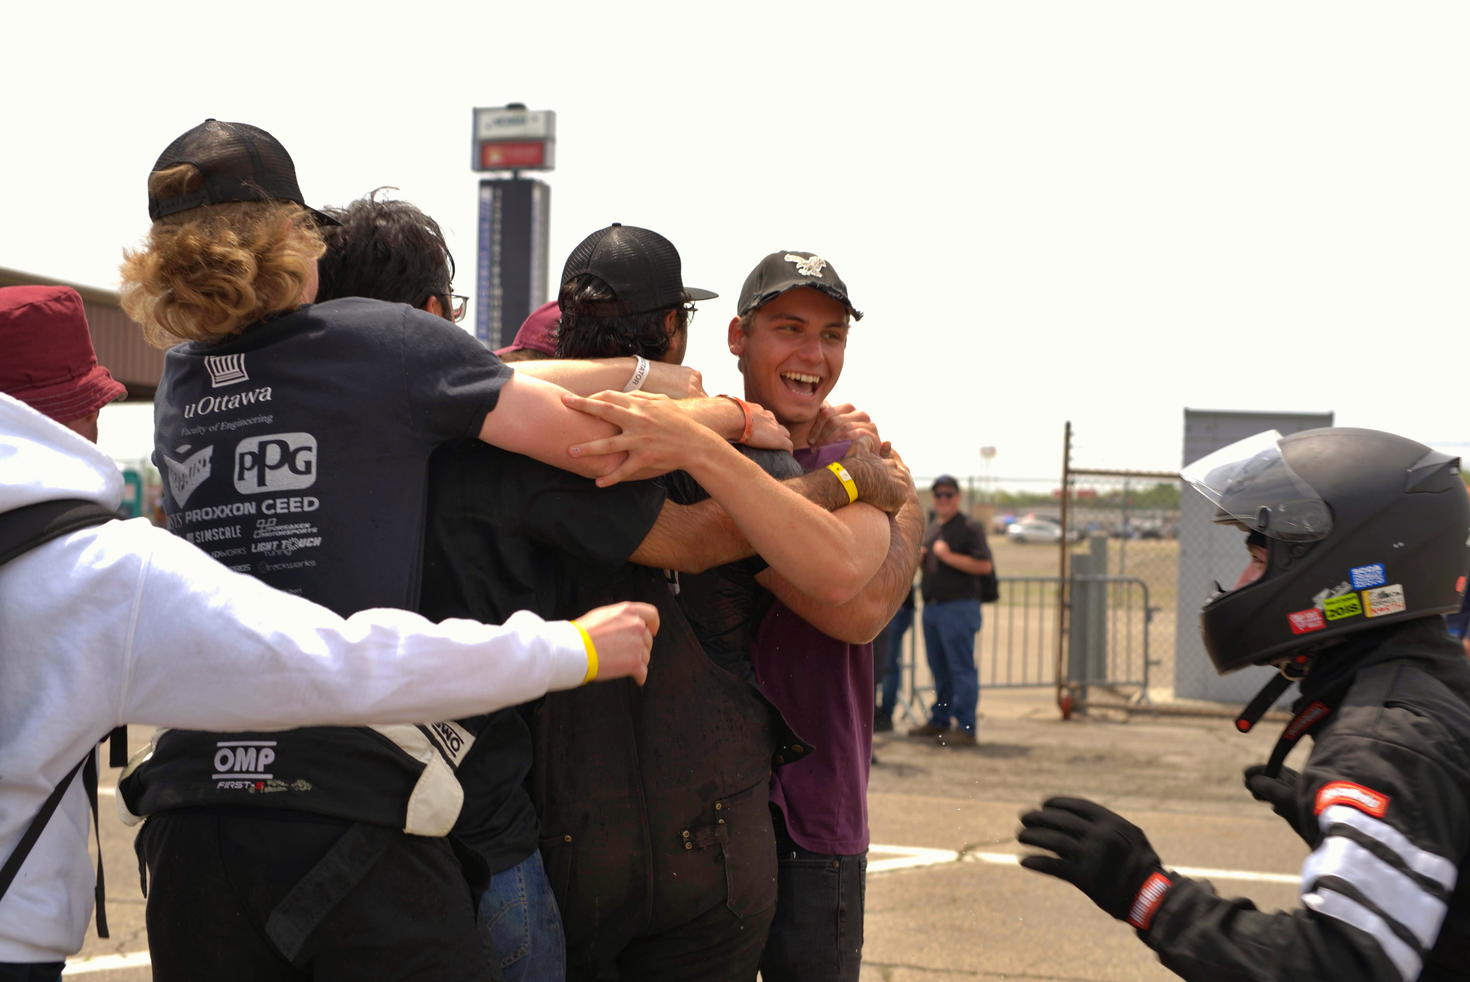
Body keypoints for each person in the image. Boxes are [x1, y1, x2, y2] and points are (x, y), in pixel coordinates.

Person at [113, 120, 662, 982]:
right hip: (348, 800)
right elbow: (600, 445)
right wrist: (720, 412)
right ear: (294, 238)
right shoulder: (386, 342)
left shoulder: (182, 378)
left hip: (191, 805)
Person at [0, 284, 655, 981]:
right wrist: (573, 647)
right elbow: (333, 662)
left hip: (188, 835)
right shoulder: (102, 573)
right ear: (75, 415)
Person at [316, 212, 907, 981]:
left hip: (512, 820)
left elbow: (498, 371)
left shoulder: (458, 431)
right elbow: (818, 584)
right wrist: (864, 483)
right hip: (699, 839)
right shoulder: (722, 455)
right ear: (677, 327)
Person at [1018, 427, 1470, 981]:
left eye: (1258, 559)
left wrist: (1149, 895)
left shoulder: (1381, 741)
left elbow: (1336, 966)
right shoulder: (1436, 686)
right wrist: (1353, 829)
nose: (1241, 581)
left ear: (1340, 569)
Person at [722, 251, 925, 982]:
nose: (814, 355)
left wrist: (897, 491)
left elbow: (865, 608)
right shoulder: (709, 454)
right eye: (790, 328)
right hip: (714, 807)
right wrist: (879, 486)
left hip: (819, 806)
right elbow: (854, 604)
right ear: (738, 336)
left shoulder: (854, 456)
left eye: (833, 335)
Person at [908, 474, 993, 746]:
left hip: (958, 607)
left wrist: (948, 556)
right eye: (938, 495)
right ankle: (940, 720)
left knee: (961, 668)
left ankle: (966, 727)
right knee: (939, 669)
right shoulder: (934, 527)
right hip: (933, 607)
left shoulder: (969, 527)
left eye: (948, 494)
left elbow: (984, 565)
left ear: (958, 497)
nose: (943, 499)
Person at [872, 586, 915, 733]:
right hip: (876, 604)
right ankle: (873, 712)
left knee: (886, 665)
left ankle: (885, 715)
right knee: (876, 665)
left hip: (893, 605)